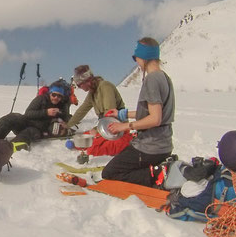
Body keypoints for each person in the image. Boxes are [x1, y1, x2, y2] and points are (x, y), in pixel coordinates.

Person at [101, 37, 175, 187]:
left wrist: (124, 126)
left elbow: (155, 119)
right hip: (164, 146)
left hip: (150, 147)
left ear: (143, 56)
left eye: (136, 58)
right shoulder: (164, 78)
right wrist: (121, 114)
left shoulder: (152, 80)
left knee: (110, 173)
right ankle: (158, 169)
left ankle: (156, 175)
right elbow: (151, 112)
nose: (136, 62)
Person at [63, 65, 132, 156]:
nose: (79, 87)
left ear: (86, 81)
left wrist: (97, 131)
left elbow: (110, 115)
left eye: (79, 85)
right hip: (105, 127)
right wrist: (68, 125)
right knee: (84, 138)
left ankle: (127, 140)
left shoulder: (105, 87)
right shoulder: (92, 92)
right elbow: (83, 109)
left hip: (117, 128)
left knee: (94, 149)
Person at [0, 79, 72, 151]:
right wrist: (46, 112)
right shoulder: (41, 99)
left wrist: (64, 125)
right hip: (26, 122)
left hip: (39, 130)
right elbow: (28, 113)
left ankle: (8, 149)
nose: (56, 98)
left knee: (29, 133)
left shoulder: (62, 105)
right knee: (12, 117)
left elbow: (65, 119)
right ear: (50, 93)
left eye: (59, 96)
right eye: (54, 95)